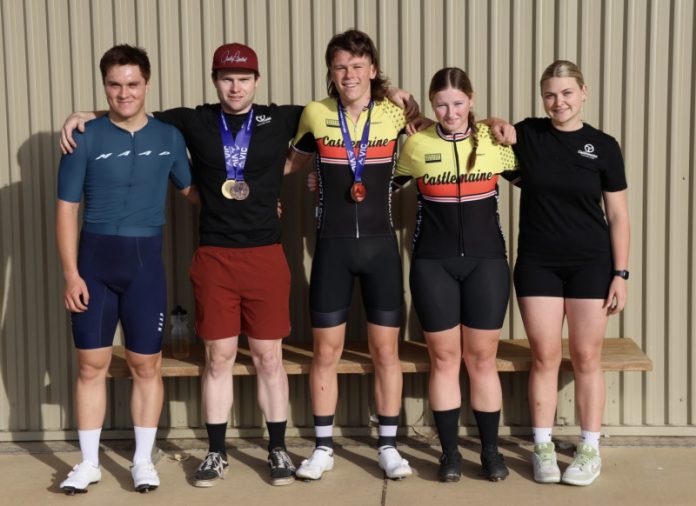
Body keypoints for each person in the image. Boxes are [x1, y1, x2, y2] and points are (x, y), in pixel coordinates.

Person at [60, 42, 417, 488]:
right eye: (227, 78)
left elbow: (350, 108)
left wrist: (397, 93)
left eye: (244, 78)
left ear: (256, 81)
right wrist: (86, 115)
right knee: (219, 358)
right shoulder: (192, 120)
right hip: (214, 255)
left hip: (267, 253)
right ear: (214, 81)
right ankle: (215, 452)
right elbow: (131, 112)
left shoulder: (286, 116)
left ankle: (278, 449)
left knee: (269, 358)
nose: (235, 87)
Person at [56, 44, 193, 494]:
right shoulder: (84, 137)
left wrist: (249, 203)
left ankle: (141, 462)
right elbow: (65, 210)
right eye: (114, 84)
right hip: (94, 265)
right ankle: (90, 462)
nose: (124, 92)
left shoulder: (169, 138)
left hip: (144, 267)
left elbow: (194, 193)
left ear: (147, 84)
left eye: (132, 83)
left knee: (145, 365)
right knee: (91, 366)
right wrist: (71, 274)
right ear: (105, 86)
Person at [285, 29, 414, 481]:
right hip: (332, 249)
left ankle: (388, 446)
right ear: (330, 73)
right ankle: (322, 447)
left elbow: (450, 124)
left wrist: (493, 120)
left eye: (358, 66)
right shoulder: (316, 114)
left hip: (381, 247)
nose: (349, 74)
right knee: (326, 352)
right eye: (341, 67)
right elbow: (288, 163)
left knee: (386, 353)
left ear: (373, 71)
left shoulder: (396, 112)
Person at [508, 60, 629, 486]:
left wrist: (621, 273)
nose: (558, 102)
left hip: (590, 265)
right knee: (544, 356)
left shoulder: (603, 145)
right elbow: (481, 131)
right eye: (549, 95)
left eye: (566, 93)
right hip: (538, 262)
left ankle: (589, 448)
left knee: (586, 357)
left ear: (583, 92)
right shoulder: (528, 135)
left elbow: (617, 215)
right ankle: (541, 445)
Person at [394, 67, 517, 482]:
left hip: (486, 264)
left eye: (458, 103)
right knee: (444, 359)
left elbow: (542, 181)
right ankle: (449, 455)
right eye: (442, 104)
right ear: (431, 105)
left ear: (472, 100)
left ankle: (490, 452)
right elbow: (376, 183)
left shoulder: (494, 142)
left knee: (482, 360)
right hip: (433, 264)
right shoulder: (417, 144)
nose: (450, 112)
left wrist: (497, 123)